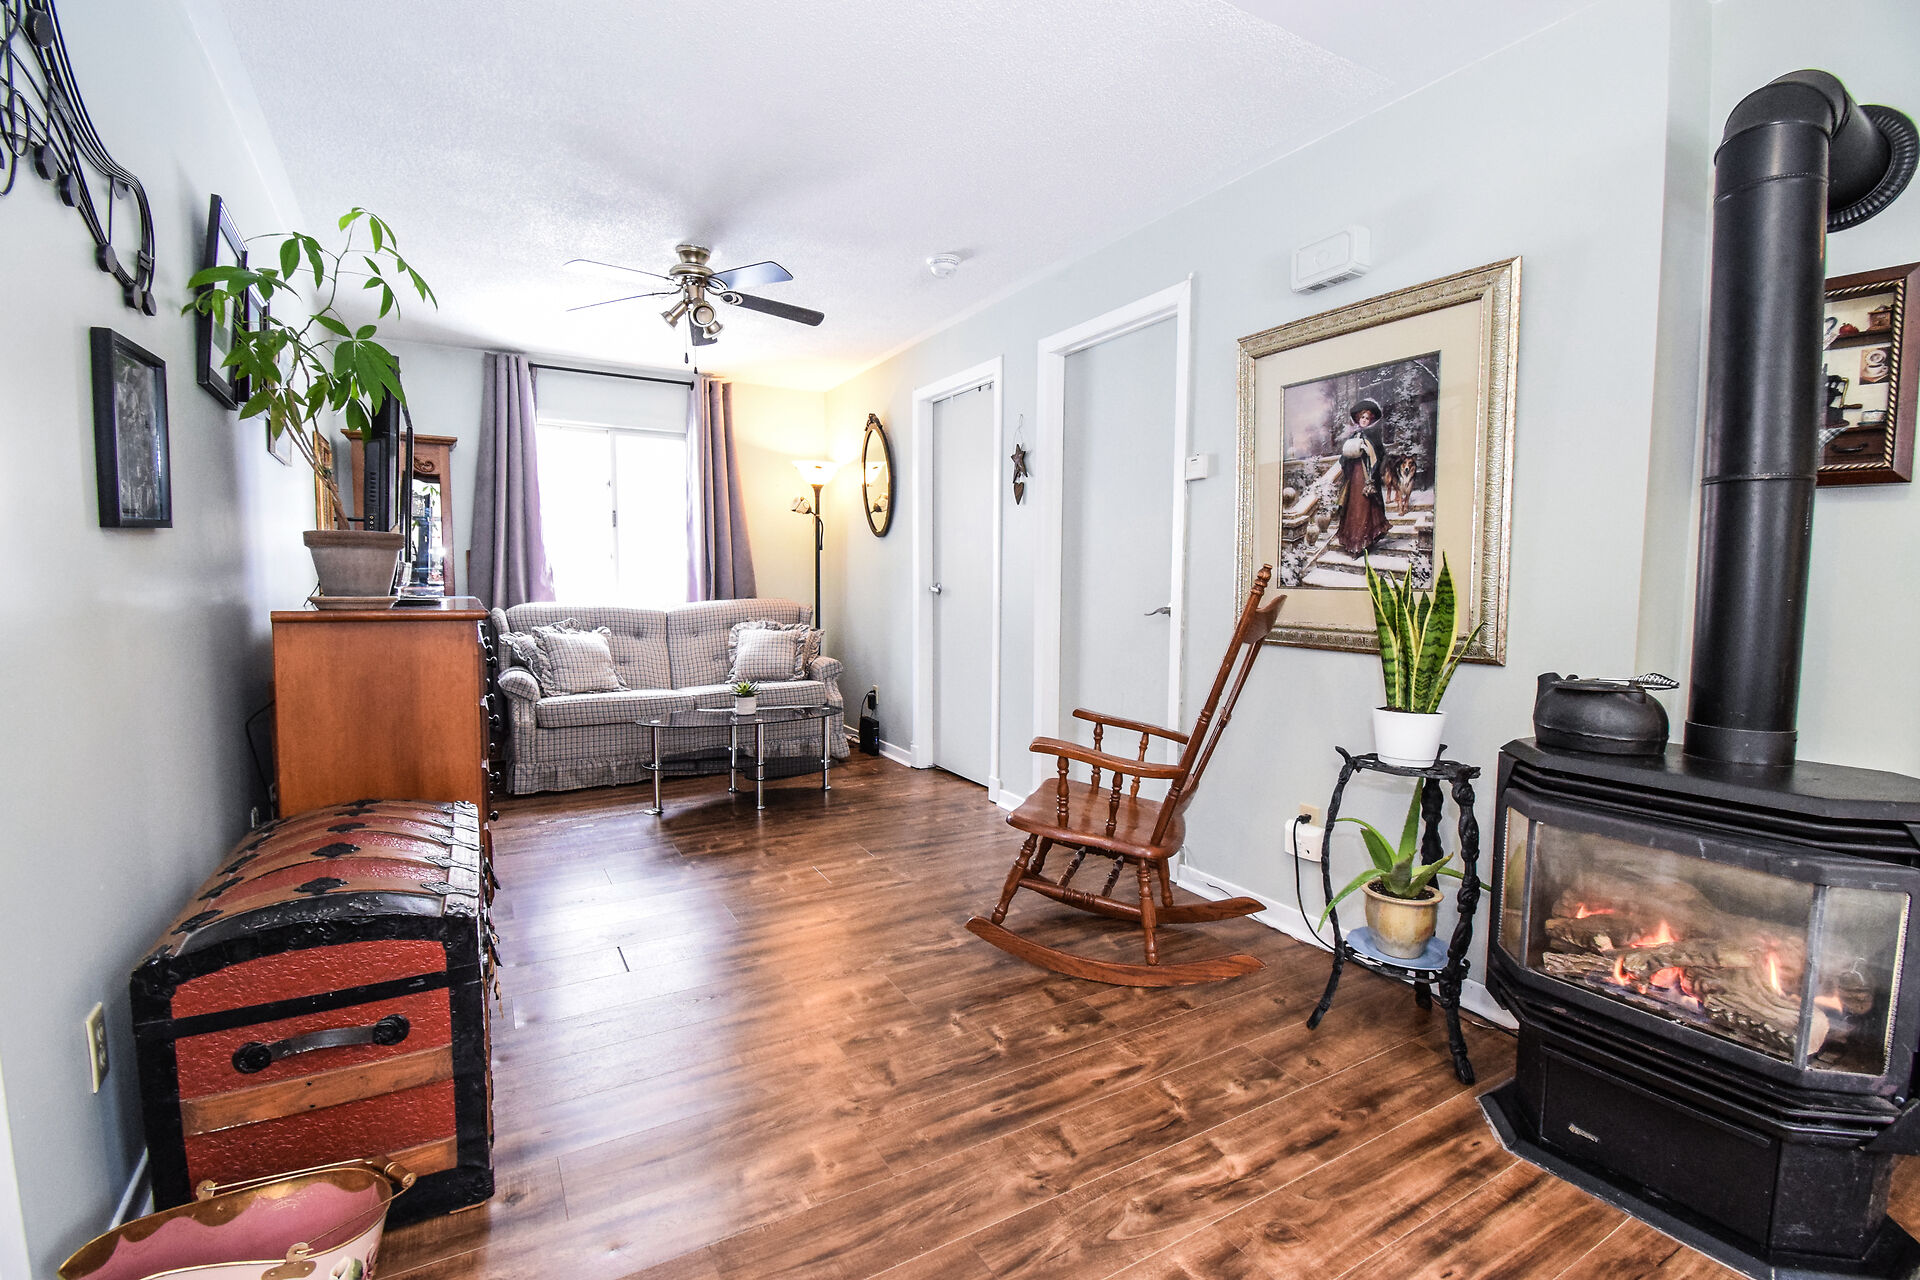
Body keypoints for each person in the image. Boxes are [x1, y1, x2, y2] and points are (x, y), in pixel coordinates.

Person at [1334, 398, 1390, 556]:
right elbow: (1344, 458)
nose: (1364, 420)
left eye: (1367, 418)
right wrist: (1349, 455)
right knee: (1353, 506)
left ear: (1371, 420)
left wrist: (1368, 451)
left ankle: (1363, 543)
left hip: (1366, 477)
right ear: (1358, 419)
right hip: (1354, 476)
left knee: (1364, 506)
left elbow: (1380, 456)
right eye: (1362, 417)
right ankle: (1353, 543)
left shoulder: (1373, 435)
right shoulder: (1354, 435)